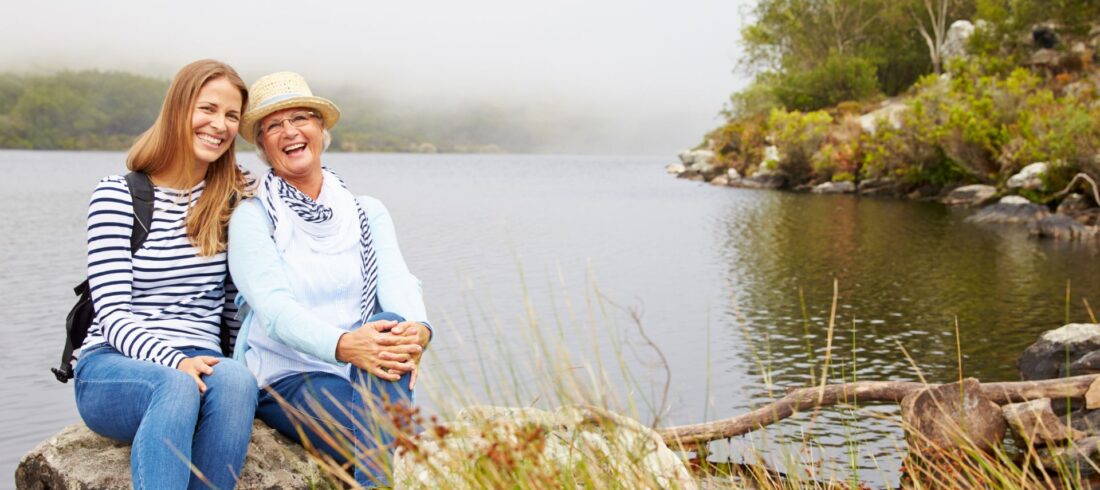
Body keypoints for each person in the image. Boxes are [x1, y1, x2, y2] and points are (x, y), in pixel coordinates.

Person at [227, 71, 432, 488]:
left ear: (320, 129)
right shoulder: (254, 217)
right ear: (263, 146)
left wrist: (419, 331)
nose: (290, 132)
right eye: (273, 126)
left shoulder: (364, 210)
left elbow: (397, 279)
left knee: (393, 318)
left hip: (368, 368)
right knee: (393, 444)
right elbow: (276, 311)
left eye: (300, 118)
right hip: (289, 374)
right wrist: (344, 345)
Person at [74, 59, 258, 490]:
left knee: (236, 380)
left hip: (203, 357)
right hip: (117, 365)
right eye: (208, 109)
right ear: (178, 108)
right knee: (174, 387)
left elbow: (235, 310)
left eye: (232, 116)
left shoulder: (232, 200)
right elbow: (113, 313)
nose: (220, 125)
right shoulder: (117, 195)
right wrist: (175, 361)